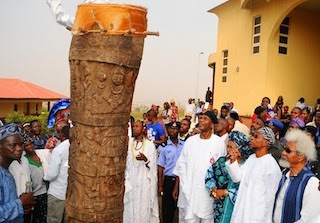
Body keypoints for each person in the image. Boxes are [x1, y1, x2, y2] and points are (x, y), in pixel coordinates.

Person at [173, 111, 225, 222]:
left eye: (205, 119)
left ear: (212, 125)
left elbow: (221, 168)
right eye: (200, 118)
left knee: (207, 217)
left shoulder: (219, 143)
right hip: (189, 190)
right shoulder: (190, 141)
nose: (201, 121)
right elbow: (182, 165)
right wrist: (185, 186)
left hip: (207, 193)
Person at [226, 126, 282, 222]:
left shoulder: (271, 165)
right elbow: (237, 178)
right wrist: (233, 160)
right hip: (242, 211)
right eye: (253, 135)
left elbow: (270, 199)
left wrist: (264, 219)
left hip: (256, 216)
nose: (252, 138)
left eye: (256, 137)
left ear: (265, 142)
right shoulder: (252, 158)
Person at [205, 131, 253, 223]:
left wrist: (226, 192)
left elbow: (247, 188)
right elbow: (209, 175)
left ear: (240, 149)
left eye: (231, 147)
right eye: (228, 146)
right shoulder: (221, 162)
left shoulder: (248, 165)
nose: (228, 150)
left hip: (236, 207)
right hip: (220, 206)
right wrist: (213, 188)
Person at [273, 129, 320, 223]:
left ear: (301, 157)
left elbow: (308, 219)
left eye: (288, 151)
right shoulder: (283, 175)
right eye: (284, 149)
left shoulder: (311, 183)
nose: (283, 153)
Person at [123, 121, 159, 223]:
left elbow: (153, 167)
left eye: (137, 126)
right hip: (131, 181)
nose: (134, 128)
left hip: (144, 183)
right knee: (130, 207)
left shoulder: (150, 146)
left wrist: (146, 160)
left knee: (143, 208)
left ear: (143, 129)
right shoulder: (128, 143)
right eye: (133, 126)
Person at [0, 123, 35, 222]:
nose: (19, 149)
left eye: (20, 144)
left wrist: (21, 206)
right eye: (12, 145)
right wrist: (20, 203)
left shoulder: (6, 170)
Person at [158, 122, 184, 223]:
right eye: (170, 129)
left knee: (181, 208)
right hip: (169, 180)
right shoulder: (164, 147)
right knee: (167, 210)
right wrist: (160, 185)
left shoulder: (184, 145)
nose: (172, 131)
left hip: (181, 180)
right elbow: (160, 167)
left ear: (179, 130)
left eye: (174, 128)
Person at [43, 125, 70, 223]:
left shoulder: (59, 149)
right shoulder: (79, 146)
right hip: (72, 193)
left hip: (58, 193)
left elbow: (52, 174)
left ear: (62, 134)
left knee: (54, 220)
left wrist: (45, 177)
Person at [23, 136, 48, 223]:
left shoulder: (41, 155)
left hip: (46, 191)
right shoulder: (24, 160)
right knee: (36, 218)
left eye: (31, 144)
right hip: (35, 194)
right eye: (26, 145)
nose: (30, 147)